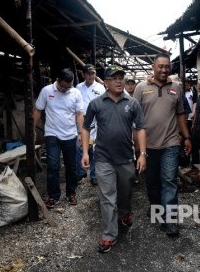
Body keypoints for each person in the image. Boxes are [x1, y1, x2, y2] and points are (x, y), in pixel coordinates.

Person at [81, 65, 147, 253]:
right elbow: (86, 128)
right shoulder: (96, 103)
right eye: (114, 78)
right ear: (106, 82)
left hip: (126, 158)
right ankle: (109, 235)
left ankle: (125, 213)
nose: (119, 81)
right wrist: (86, 152)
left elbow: (141, 128)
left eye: (121, 78)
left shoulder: (132, 103)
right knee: (107, 197)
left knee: (125, 192)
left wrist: (142, 154)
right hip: (103, 158)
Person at [133, 53, 192, 237]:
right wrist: (136, 145)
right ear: (153, 66)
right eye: (161, 66)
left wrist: (187, 137)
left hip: (171, 142)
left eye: (167, 66)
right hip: (148, 145)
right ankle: (157, 208)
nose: (164, 70)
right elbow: (134, 119)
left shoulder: (176, 88)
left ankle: (171, 220)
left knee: (169, 180)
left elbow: (180, 114)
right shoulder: (141, 88)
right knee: (152, 182)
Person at [33, 68, 84, 209]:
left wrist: (80, 133)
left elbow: (79, 114)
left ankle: (71, 193)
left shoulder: (75, 93)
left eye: (69, 86)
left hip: (70, 134)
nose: (66, 89)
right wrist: (32, 129)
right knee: (53, 166)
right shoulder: (46, 91)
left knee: (71, 166)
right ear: (57, 80)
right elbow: (38, 110)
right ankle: (53, 196)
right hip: (52, 134)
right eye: (63, 86)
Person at [76, 64, 106, 185]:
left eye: (93, 73)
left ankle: (94, 175)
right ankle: (80, 173)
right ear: (84, 74)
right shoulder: (78, 87)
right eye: (88, 73)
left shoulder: (100, 87)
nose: (91, 76)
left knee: (95, 149)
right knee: (80, 147)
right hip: (83, 121)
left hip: (97, 122)